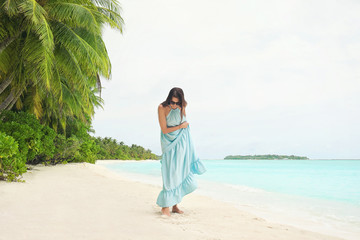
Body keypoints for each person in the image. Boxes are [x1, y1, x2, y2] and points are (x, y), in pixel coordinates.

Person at [156, 87, 207, 216]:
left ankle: (175, 205)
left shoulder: (183, 105)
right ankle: (165, 206)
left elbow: (183, 120)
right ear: (168, 99)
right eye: (172, 102)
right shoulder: (162, 108)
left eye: (177, 103)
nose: (174, 105)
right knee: (169, 172)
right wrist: (181, 126)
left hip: (182, 142)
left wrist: (181, 109)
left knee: (178, 171)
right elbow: (164, 130)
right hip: (169, 143)